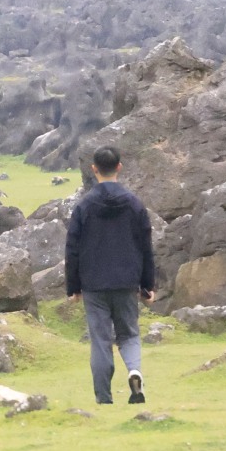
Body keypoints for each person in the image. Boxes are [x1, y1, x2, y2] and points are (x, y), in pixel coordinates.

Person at [65, 145, 156, 405]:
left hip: (94, 283)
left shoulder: (84, 206)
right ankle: (134, 371)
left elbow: (72, 249)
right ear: (119, 167)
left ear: (94, 169)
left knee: (101, 340)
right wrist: (147, 284)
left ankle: (104, 398)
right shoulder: (134, 204)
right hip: (127, 281)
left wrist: (73, 286)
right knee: (129, 334)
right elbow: (145, 246)